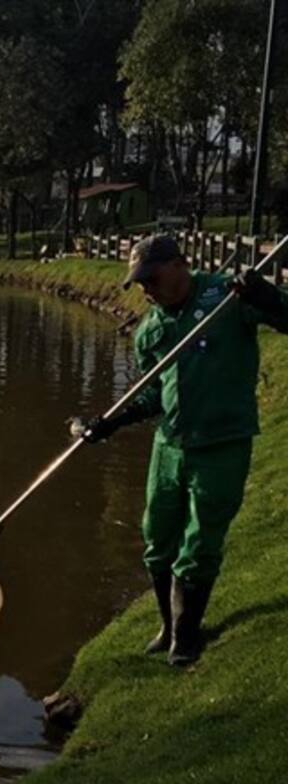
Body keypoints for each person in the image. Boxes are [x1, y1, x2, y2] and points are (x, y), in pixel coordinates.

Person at [76, 234, 288, 666]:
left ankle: (187, 636)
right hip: (170, 444)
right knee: (157, 538)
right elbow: (153, 394)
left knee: (200, 541)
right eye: (139, 283)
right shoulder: (150, 331)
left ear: (179, 265)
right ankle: (168, 626)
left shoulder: (227, 297)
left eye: (151, 279)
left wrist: (267, 297)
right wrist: (111, 422)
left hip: (222, 442)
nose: (146, 290)